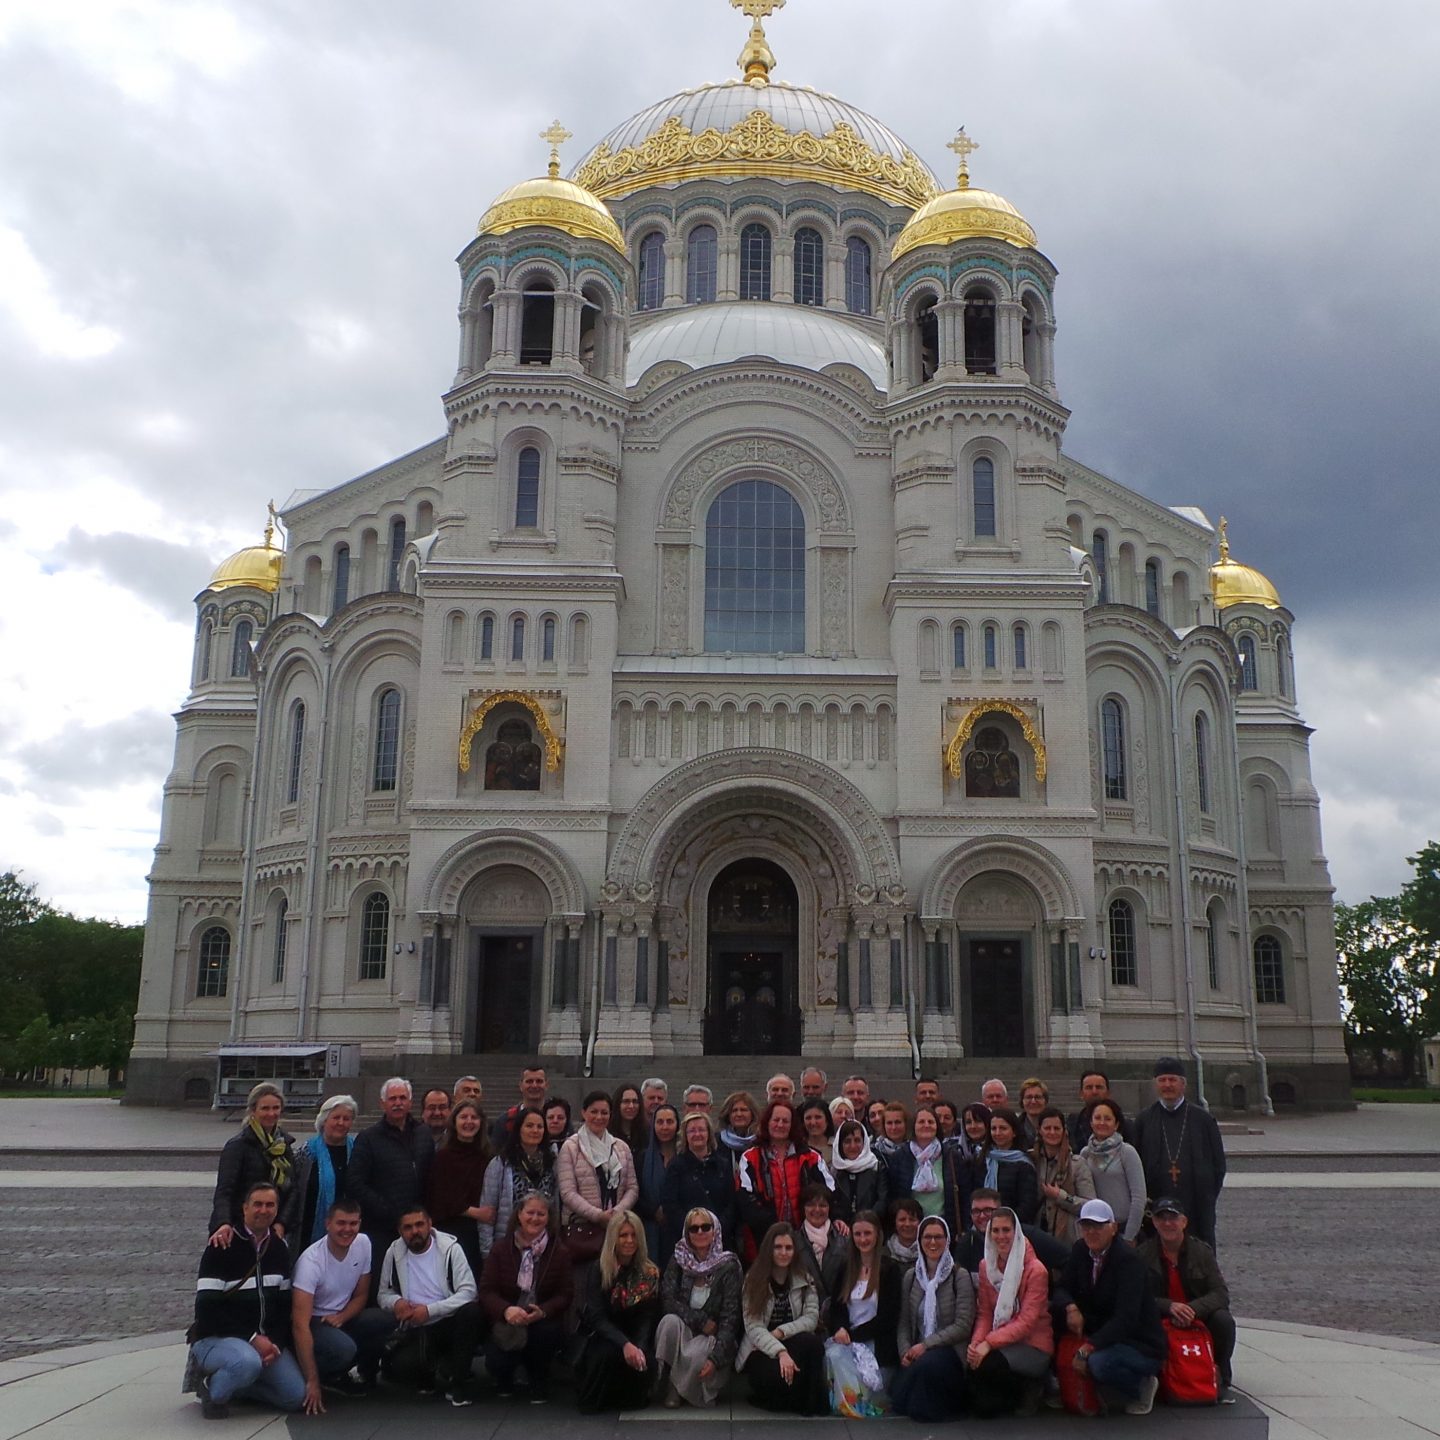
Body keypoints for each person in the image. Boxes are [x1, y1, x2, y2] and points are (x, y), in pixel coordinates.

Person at [187, 1182, 305, 1419]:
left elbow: (283, 1307)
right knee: (247, 1362)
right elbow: (206, 1310)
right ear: (244, 1208)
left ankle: (240, 1387)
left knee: (295, 1397)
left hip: (262, 1341)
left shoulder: (279, 1249)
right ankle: (213, 1389)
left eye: (270, 1205)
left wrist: (275, 1344)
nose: (263, 1210)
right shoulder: (222, 1246)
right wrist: (252, 1339)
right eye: (257, 1204)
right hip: (216, 1338)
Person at [1055, 1198, 1165, 1415]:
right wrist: (1070, 1307)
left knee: (1099, 1363)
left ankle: (1141, 1386)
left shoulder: (1129, 1262)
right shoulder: (1080, 1250)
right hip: (1103, 1332)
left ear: (1113, 1228)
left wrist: (1089, 1347)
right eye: (1086, 1226)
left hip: (1138, 1343)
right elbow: (1061, 1288)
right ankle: (1065, 1385)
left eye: (1098, 1226)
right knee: (1054, 1314)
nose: (1091, 1232)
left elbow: (1126, 1319)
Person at [291, 1200, 396, 1412]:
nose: (347, 1230)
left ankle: (364, 1371)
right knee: (343, 1348)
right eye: (341, 1223)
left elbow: (362, 1295)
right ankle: (323, 1376)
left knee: (385, 1319)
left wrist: (342, 1317)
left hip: (342, 1316)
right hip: (315, 1321)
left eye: (353, 1224)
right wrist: (311, 1380)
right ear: (327, 1224)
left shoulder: (364, 1243)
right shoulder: (310, 1262)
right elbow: (298, 1325)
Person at [376, 1205, 482, 1404]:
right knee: (399, 1369)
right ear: (400, 1231)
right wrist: (396, 1302)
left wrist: (430, 1310)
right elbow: (383, 1294)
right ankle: (433, 1369)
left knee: (472, 1313)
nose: (415, 1231)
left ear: (429, 1224)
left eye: (419, 1224)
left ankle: (458, 1383)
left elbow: (469, 1292)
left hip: (448, 1321)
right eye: (408, 1227)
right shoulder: (393, 1252)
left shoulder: (451, 1248)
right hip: (415, 1327)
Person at [478, 1192, 574, 1403]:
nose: (535, 1218)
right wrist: (506, 1310)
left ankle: (538, 1380)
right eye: (530, 1212)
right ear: (519, 1215)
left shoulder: (559, 1252)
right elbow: (486, 1290)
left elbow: (565, 1294)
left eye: (541, 1213)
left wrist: (544, 1311)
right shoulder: (501, 1249)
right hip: (507, 1317)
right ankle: (504, 1378)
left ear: (549, 1218)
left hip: (539, 1317)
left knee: (547, 1332)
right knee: (497, 1361)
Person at [1136, 1196, 1236, 1388]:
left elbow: (1220, 1293)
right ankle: (1156, 1375)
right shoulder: (1142, 1254)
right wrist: (1169, 1306)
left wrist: (1192, 1309)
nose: (1167, 1223)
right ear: (1154, 1222)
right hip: (1161, 1318)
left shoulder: (1202, 1252)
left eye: (1173, 1218)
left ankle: (1219, 1372)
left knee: (1223, 1321)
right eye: (1161, 1218)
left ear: (1184, 1222)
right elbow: (1137, 1296)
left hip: (1197, 1315)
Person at [966, 1205, 1053, 1417]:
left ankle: (1032, 1387)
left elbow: (1026, 1322)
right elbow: (985, 1312)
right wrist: (976, 1344)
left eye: (1006, 1230)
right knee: (973, 1368)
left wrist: (988, 1343)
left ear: (1016, 1233)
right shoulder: (987, 1266)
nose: (1001, 1236)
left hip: (1032, 1345)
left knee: (988, 1366)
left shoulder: (1035, 1270)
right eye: (995, 1230)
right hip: (1001, 1341)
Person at [348, 1077, 435, 1286]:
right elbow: (355, 1183)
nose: (398, 1103)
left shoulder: (423, 1133)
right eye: (392, 1098)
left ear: (410, 1103)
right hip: (382, 1227)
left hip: (417, 1227)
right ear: (382, 1104)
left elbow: (431, 1175)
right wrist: (388, 1211)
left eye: (402, 1098)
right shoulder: (368, 1138)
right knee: (384, 1282)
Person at [1134, 1057, 1227, 1250]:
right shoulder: (1144, 1120)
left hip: (1196, 1207)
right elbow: (1137, 1164)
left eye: (1172, 1080)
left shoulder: (1203, 1119)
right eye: (1162, 1080)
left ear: (1183, 1084)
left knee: (1198, 1261)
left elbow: (1218, 1166)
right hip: (1156, 1207)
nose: (1167, 1085)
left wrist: (1207, 1196)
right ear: (1155, 1084)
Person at [656, 1207, 744, 1408]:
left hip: (714, 1339)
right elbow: (667, 1300)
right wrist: (700, 1320)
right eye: (693, 1229)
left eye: (706, 1227)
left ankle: (679, 1389)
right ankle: (673, 1386)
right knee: (668, 1323)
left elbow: (731, 1319)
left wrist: (716, 1359)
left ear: (715, 1230)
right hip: (686, 1330)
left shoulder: (728, 1266)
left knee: (696, 1355)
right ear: (687, 1234)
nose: (700, 1232)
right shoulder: (678, 1260)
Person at [575, 1208, 662, 1413]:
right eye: (623, 1235)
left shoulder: (649, 1273)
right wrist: (624, 1344)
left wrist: (637, 1346)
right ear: (614, 1238)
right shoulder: (599, 1269)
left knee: (644, 1360)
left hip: (633, 1335)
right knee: (606, 1354)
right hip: (604, 1335)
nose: (629, 1240)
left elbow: (647, 1318)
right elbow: (596, 1317)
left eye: (633, 1235)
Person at [737, 1221, 828, 1416]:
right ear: (769, 1249)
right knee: (777, 1381)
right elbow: (753, 1327)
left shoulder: (805, 1278)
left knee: (812, 1343)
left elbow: (811, 1319)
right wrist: (780, 1352)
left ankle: (808, 1403)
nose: (783, 1252)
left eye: (788, 1247)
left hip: (789, 1340)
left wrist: (781, 1332)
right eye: (778, 1247)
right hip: (761, 1349)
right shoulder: (753, 1279)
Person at [890, 1216, 974, 1422]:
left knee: (928, 1368)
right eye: (927, 1237)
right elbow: (903, 1322)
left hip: (949, 1351)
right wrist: (905, 1352)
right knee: (898, 1399)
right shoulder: (912, 1276)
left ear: (947, 1241)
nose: (933, 1242)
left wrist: (926, 1345)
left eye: (938, 1237)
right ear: (920, 1240)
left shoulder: (959, 1276)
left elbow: (963, 1325)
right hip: (918, 1351)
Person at [826, 1210, 901, 1416]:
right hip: (847, 1338)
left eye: (867, 1233)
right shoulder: (845, 1267)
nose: (863, 1239)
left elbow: (888, 1316)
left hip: (876, 1342)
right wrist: (841, 1329)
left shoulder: (889, 1270)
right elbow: (837, 1306)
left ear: (877, 1234)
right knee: (833, 1354)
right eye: (858, 1234)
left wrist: (854, 1336)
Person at [208, 1082, 298, 1242]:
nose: (271, 1113)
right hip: (239, 1228)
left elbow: (292, 1189)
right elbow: (225, 1191)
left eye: (276, 1108)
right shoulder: (238, 1146)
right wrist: (224, 1223)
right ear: (253, 1111)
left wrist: (282, 1223)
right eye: (265, 1108)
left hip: (273, 1228)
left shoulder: (283, 1145)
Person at [557, 1089, 640, 1261]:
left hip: (616, 1227)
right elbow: (567, 1192)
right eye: (594, 1112)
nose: (599, 1117)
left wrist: (616, 1213)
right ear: (584, 1113)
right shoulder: (571, 1147)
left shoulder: (621, 1147)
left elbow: (632, 1187)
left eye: (604, 1112)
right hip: (582, 1229)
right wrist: (597, 1215)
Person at [737, 1098, 831, 1247]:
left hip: (806, 1239)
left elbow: (829, 1192)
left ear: (792, 1125)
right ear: (767, 1122)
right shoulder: (750, 1158)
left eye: (785, 1121)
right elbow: (745, 1200)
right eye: (776, 1120)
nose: (780, 1125)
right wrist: (774, 1228)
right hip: (764, 1238)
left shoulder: (811, 1157)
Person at [476, 1104, 558, 1258]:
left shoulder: (552, 1162)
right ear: (519, 1129)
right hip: (508, 1246)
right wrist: (488, 1253)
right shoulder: (501, 1163)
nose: (535, 1130)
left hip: (545, 1246)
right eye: (529, 1126)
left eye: (540, 1126)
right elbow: (488, 1212)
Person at [425, 1098, 493, 1275]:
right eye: (464, 1117)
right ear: (454, 1122)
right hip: (452, 1230)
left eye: (474, 1117)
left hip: (483, 1230)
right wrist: (474, 1212)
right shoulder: (443, 1157)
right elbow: (440, 1197)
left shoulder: (489, 1156)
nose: (469, 1122)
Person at [661, 1111, 738, 1259]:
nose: (697, 1134)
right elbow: (670, 1204)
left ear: (709, 1133)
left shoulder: (723, 1164)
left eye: (701, 1130)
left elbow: (731, 1202)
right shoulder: (676, 1166)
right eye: (692, 1131)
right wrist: (694, 1230)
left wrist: (716, 1229)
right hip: (686, 1242)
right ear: (685, 1135)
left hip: (721, 1241)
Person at [952, 1188, 1071, 1276]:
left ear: (1000, 1210)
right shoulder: (967, 1243)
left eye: (988, 1210)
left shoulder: (1028, 1235)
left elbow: (1068, 1259)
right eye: (976, 1211)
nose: (982, 1216)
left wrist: (1060, 1299)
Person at [290, 1094, 357, 1250]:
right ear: (324, 1120)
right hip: (309, 1230)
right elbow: (293, 1190)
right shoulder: (307, 1152)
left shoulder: (358, 1150)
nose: (341, 1123)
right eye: (336, 1118)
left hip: (349, 1230)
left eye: (346, 1119)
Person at [1080, 1099, 1146, 1241]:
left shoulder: (1127, 1152)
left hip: (1122, 1228)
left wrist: (1129, 1236)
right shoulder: (1085, 1153)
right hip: (1095, 1229)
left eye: (1108, 1119)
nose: (1102, 1122)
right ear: (1091, 1123)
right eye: (1097, 1118)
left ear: (1116, 1124)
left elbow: (1139, 1198)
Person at [1032, 1105, 1097, 1244]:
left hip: (1068, 1236)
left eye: (1057, 1128)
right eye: (1047, 1128)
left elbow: (1090, 1205)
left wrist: (1060, 1196)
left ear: (1064, 1131)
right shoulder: (1032, 1160)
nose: (1052, 1132)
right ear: (1039, 1131)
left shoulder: (1077, 1164)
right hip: (1038, 1231)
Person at [969, 1107, 1040, 1225]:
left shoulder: (1023, 1165)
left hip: (1011, 1228)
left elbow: (1027, 1205)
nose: (997, 1133)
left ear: (1014, 1132)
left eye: (1003, 1128)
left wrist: (1003, 1224)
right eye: (993, 1128)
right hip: (981, 1226)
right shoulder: (981, 1160)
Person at [796, 1183, 851, 1317]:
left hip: (841, 1313)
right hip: (806, 1314)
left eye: (822, 1205)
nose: (817, 1210)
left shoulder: (844, 1237)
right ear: (803, 1208)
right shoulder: (793, 1240)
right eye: (810, 1205)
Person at [637, 1102, 680, 1266]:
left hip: (677, 1227)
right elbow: (637, 1192)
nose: (665, 1127)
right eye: (660, 1122)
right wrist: (653, 1211)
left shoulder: (684, 1156)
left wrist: (670, 1210)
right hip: (650, 1227)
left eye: (670, 1122)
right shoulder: (642, 1158)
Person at [830, 1118, 889, 1224]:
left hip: (871, 1227)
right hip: (842, 1230)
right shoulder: (834, 1170)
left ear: (865, 1142)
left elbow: (883, 1200)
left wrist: (867, 1221)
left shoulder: (876, 1167)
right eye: (847, 1141)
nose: (853, 1146)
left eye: (857, 1140)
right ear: (839, 1144)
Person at [891, 1104, 946, 1218]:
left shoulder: (951, 1156)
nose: (926, 1125)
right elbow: (894, 1197)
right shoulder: (900, 1157)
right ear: (913, 1126)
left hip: (943, 1225)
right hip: (910, 1225)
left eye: (931, 1122)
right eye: (921, 1122)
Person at [490, 1064, 549, 1149]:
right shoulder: (505, 1121)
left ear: (546, 1085)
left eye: (539, 1081)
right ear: (521, 1086)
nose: (534, 1085)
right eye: (529, 1081)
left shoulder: (556, 1120)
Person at [1068, 1070, 1115, 1150]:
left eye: (1099, 1087)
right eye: (1089, 1087)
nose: (1094, 1092)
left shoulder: (1124, 1125)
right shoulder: (1072, 1124)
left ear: (1108, 1093)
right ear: (1081, 1094)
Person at [717, 1089, 759, 1170]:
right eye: (734, 1110)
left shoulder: (761, 1141)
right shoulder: (717, 1142)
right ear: (727, 1115)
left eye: (744, 1110)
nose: (739, 1114)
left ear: (752, 1113)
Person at [611, 1082, 648, 1155]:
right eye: (626, 1101)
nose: (631, 1106)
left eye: (635, 1102)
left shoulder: (646, 1133)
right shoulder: (608, 1134)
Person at [886, 1197, 922, 1269]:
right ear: (894, 1223)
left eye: (912, 1219)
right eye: (902, 1220)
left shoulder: (930, 1253)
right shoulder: (884, 1254)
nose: (907, 1224)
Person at [1016, 1078, 1049, 1149]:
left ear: (1045, 1101)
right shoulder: (1014, 1129)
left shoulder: (1055, 1127)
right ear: (1022, 1101)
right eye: (1029, 1097)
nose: (1033, 1101)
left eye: (1037, 1097)